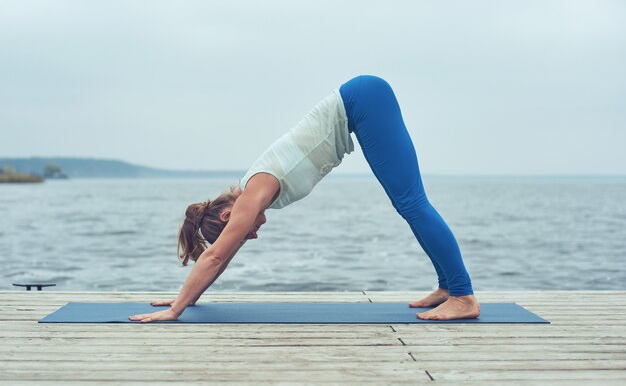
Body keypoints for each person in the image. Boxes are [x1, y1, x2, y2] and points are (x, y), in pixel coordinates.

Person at [129, 75, 480, 323]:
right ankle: (449, 287)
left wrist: (174, 311)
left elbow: (218, 254)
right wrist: (185, 299)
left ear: (226, 217)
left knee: (411, 202)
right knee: (408, 203)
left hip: (362, 102)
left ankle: (463, 296)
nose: (251, 236)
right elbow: (224, 255)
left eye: (244, 232)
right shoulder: (252, 195)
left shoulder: (255, 190)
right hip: (360, 102)